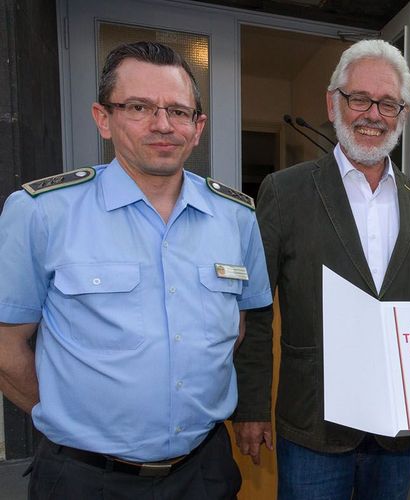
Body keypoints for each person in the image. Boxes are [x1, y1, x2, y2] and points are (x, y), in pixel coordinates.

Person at [0, 41, 272, 499]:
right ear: (103, 117)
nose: (162, 125)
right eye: (139, 107)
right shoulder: (41, 213)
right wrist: (67, 417)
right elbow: (7, 344)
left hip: (203, 472)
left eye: (178, 111)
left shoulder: (237, 217)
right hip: (85, 479)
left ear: (198, 127)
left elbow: (239, 327)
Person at [232, 39, 410, 499]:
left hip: (395, 429)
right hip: (315, 424)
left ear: (402, 116)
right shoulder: (284, 192)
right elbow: (252, 308)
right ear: (333, 104)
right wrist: (251, 406)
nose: (373, 114)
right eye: (360, 99)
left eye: (388, 103)